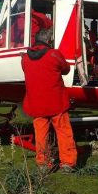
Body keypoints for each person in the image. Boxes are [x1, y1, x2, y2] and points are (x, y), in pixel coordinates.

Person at [21, 28, 77, 172]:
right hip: (56, 101)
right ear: (48, 40)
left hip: (36, 103)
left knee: (41, 135)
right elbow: (66, 69)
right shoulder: (54, 54)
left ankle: (43, 164)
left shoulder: (25, 58)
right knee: (64, 132)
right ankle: (67, 163)